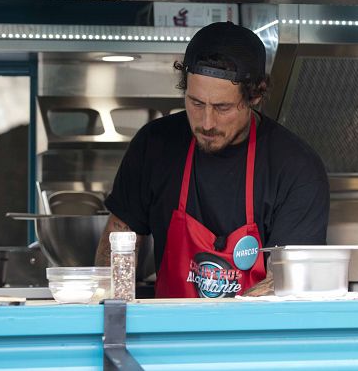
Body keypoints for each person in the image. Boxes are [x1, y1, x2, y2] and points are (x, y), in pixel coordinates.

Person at [96, 21, 329, 298]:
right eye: (196, 103)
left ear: (256, 95)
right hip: (168, 335)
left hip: (254, 336)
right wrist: (110, 305)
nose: (206, 123)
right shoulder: (155, 146)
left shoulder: (295, 167)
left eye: (223, 107)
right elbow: (118, 245)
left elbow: (287, 283)